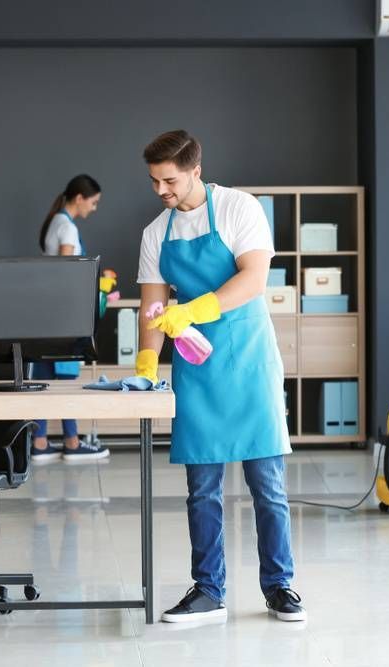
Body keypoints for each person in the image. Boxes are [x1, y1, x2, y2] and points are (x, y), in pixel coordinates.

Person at [134, 130, 305, 623]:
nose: (161, 190)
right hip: (197, 365)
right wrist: (146, 368)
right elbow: (152, 306)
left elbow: (254, 278)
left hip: (248, 356)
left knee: (267, 486)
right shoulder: (154, 233)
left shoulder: (238, 208)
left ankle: (280, 586)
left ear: (195, 170)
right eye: (154, 181)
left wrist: (194, 309)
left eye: (169, 180)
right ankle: (208, 589)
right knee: (201, 488)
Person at [31, 174, 110, 464]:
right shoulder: (67, 228)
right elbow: (65, 272)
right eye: (94, 202)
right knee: (66, 379)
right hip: (64, 314)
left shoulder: (54, 224)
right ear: (80, 198)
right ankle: (72, 442)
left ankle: (39, 442)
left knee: (43, 378)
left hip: (46, 313)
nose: (94, 208)